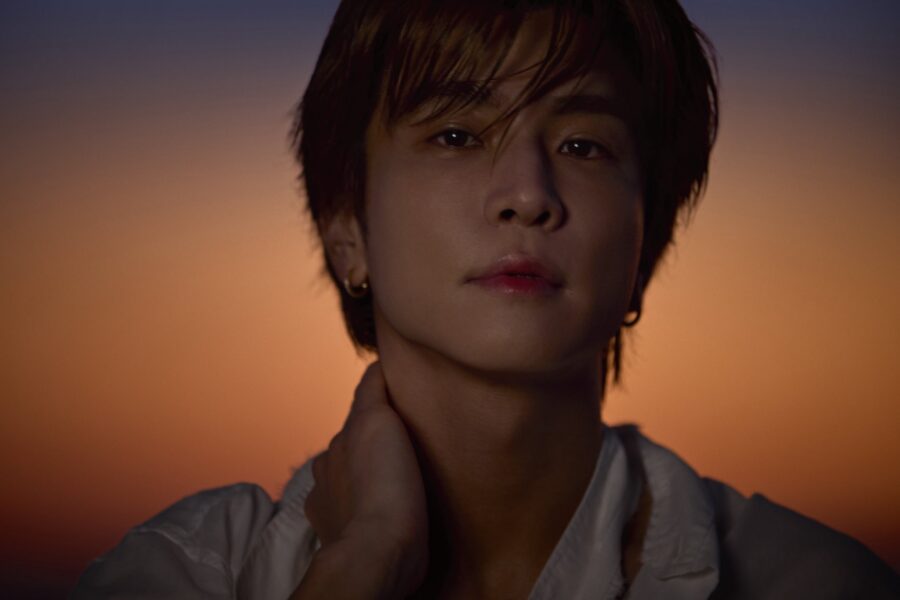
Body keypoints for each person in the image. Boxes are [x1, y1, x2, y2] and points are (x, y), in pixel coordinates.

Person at [73, 1, 898, 598]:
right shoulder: (188, 572)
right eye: (456, 136)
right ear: (347, 228)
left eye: (583, 145)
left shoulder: (813, 582)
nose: (528, 195)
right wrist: (364, 561)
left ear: (645, 242)